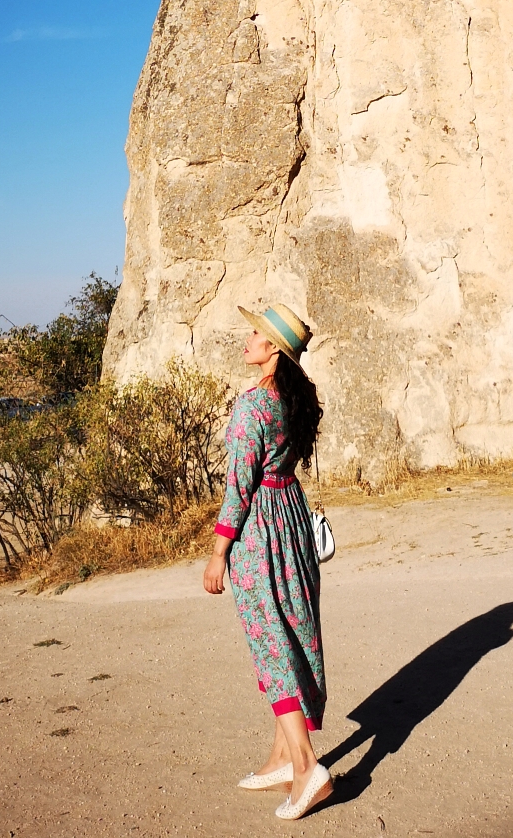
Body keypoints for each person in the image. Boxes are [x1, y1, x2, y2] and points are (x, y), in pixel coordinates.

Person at [203, 303, 331, 821]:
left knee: (270, 640)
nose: (248, 337)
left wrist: (218, 553)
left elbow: (239, 486)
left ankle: (305, 766)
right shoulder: (294, 401)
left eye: (256, 333)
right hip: (292, 518)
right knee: (292, 632)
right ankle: (281, 756)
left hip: (259, 526)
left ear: (274, 349)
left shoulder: (253, 405)